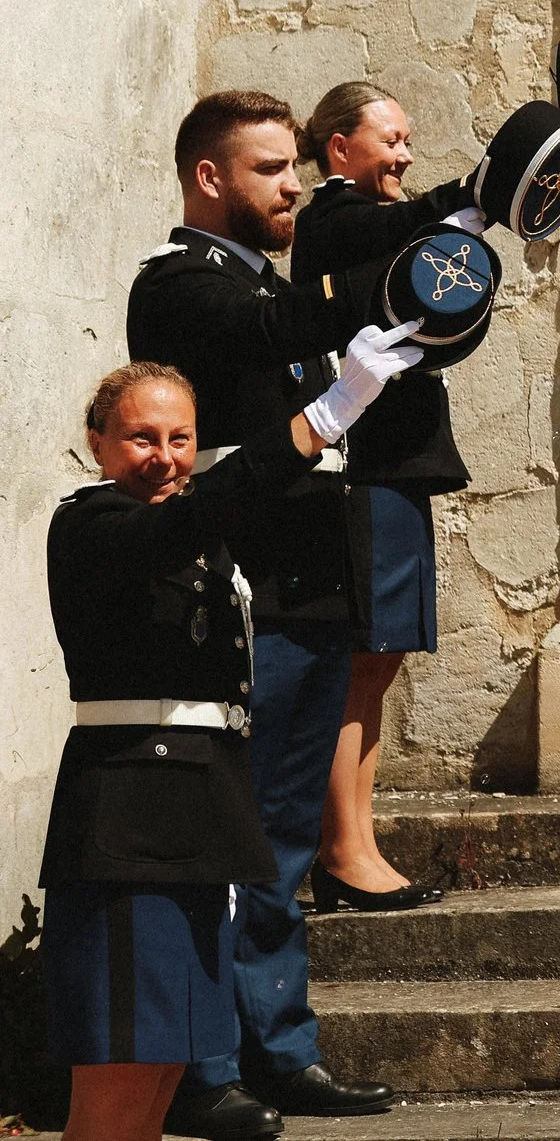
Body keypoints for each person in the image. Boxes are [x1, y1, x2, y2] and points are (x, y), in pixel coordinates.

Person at [42, 338, 419, 1141]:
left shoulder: (203, 540)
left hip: (203, 821)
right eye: (141, 437)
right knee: (115, 1088)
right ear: (98, 443)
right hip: (129, 830)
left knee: (165, 1071)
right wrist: (313, 424)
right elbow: (189, 518)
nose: (163, 456)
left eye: (180, 439)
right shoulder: (90, 524)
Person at [129, 92, 402, 1138]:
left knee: (284, 837)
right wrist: (409, 251)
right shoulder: (182, 285)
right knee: (220, 840)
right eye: (271, 169)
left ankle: (279, 1049)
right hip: (234, 598)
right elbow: (280, 330)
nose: (294, 186)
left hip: (309, 591)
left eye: (293, 167)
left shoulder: (267, 282)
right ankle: (201, 1070)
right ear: (211, 177)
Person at [290, 82, 485, 913]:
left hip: (397, 466)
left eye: (408, 140)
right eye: (391, 139)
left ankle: (355, 842)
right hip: (363, 469)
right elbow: (392, 231)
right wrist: (470, 193)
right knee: (358, 661)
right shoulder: (333, 217)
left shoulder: (377, 217)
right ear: (340, 148)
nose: (404, 155)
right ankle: (342, 850)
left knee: (379, 662)